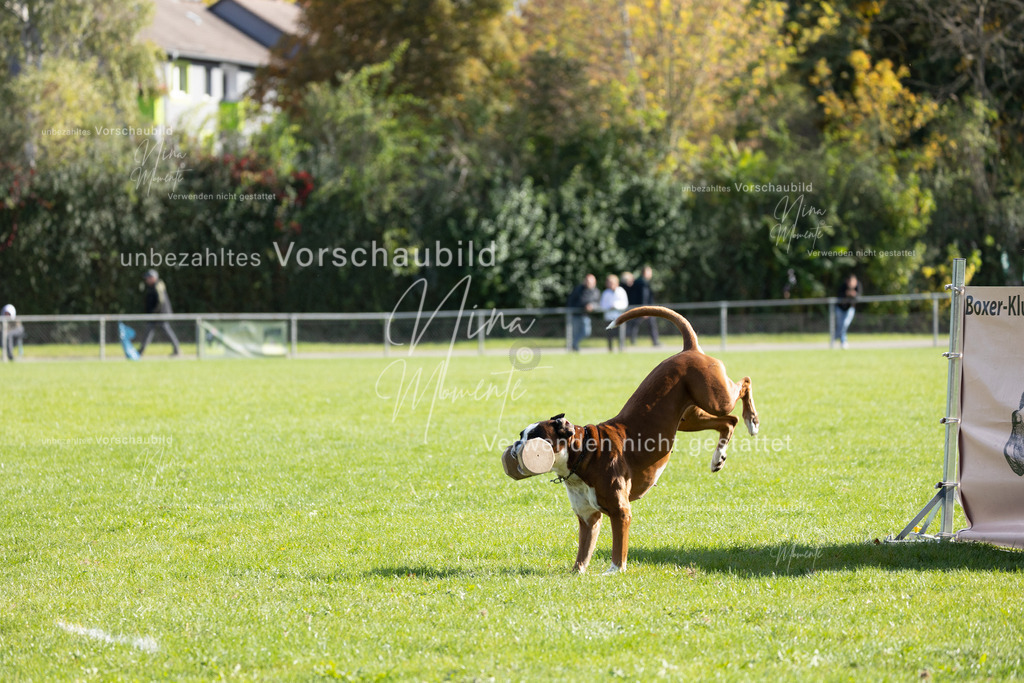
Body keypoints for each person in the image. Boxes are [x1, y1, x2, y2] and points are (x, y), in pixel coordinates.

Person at [138, 270, 181, 357]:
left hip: (160, 314)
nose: (146, 280)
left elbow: (160, 301)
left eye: (148, 278)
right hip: (156, 314)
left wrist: (155, 312)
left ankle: (177, 350)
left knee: (165, 330)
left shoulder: (158, 286)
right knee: (149, 331)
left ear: (153, 278)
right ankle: (140, 351)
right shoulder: (153, 286)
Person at [627, 265, 660, 346]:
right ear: (645, 272)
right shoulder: (643, 283)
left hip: (638, 306)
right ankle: (655, 342)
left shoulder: (638, 282)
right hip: (645, 308)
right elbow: (644, 296)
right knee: (650, 325)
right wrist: (645, 311)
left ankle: (632, 341)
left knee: (634, 325)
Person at [566, 274, 600, 352]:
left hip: (585, 315)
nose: (589, 283)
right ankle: (574, 348)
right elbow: (573, 301)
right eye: (587, 281)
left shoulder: (596, 292)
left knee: (586, 332)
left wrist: (592, 306)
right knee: (574, 333)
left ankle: (573, 344)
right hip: (576, 314)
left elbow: (597, 303)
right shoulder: (578, 289)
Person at [600, 273, 629, 352]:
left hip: (619, 317)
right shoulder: (605, 293)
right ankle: (610, 349)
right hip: (609, 317)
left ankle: (621, 348)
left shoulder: (621, 291)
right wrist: (609, 307)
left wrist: (615, 306)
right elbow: (602, 305)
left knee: (620, 335)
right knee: (610, 335)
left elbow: (624, 303)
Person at [834, 273, 862, 349]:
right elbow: (838, 295)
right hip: (840, 308)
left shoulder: (857, 286)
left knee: (845, 324)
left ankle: (837, 338)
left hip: (850, 308)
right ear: (847, 281)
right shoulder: (843, 286)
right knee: (840, 325)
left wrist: (854, 294)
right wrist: (846, 294)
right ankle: (840, 340)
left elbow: (859, 296)